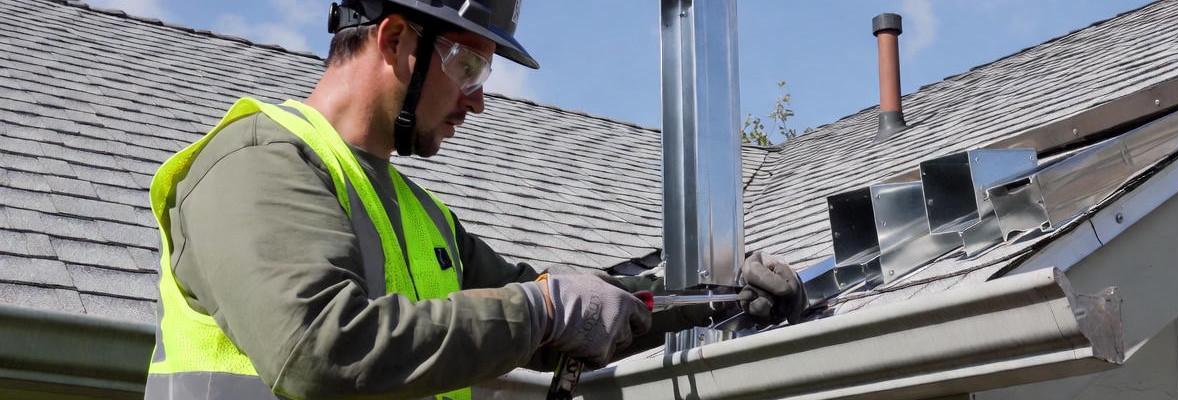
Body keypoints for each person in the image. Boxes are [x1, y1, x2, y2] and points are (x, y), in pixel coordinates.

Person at [143, 0, 805, 399]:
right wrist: (542, 310)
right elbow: (319, 351)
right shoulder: (257, 165)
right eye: (468, 66)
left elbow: (559, 307)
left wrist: (707, 297)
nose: (480, 97)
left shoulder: (421, 217)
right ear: (395, 40)